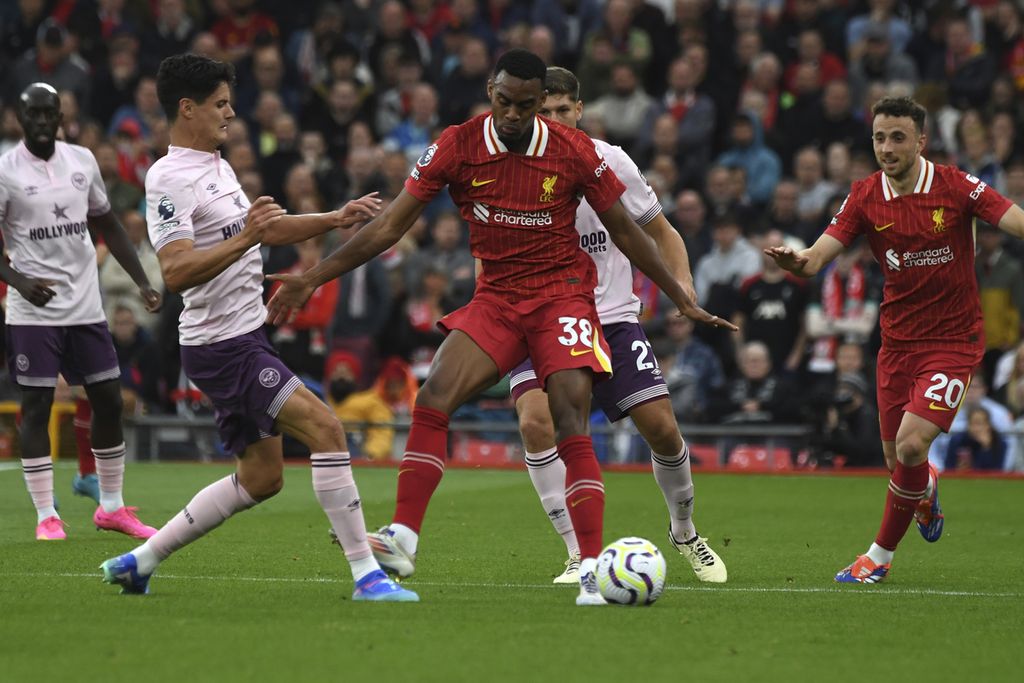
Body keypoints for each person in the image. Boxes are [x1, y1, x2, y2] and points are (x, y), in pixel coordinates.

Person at [267, 49, 731, 606]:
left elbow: (632, 235)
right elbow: (390, 225)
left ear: (545, 106)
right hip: (498, 298)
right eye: (505, 101)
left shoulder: (576, 151)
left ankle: (590, 570)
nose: (514, 114)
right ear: (491, 91)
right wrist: (311, 277)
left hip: (563, 298)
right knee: (434, 395)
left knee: (569, 420)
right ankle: (404, 536)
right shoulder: (457, 144)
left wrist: (681, 294)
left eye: (528, 105)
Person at [99, 54, 417, 603]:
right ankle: (368, 576)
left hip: (245, 337)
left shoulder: (217, 165)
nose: (230, 112)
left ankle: (140, 561)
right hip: (222, 345)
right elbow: (175, 270)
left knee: (263, 478)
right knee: (327, 430)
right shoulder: (169, 178)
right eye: (220, 103)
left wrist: (334, 218)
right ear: (187, 108)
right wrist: (246, 239)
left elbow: (263, 228)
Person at [766, 96, 1024, 584]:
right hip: (897, 345)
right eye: (880, 138)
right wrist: (795, 261)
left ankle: (877, 559)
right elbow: (817, 258)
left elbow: (1013, 218)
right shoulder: (865, 195)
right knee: (899, 462)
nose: (887, 147)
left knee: (909, 446)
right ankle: (924, 490)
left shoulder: (955, 185)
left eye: (898, 137)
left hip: (953, 341)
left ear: (921, 141)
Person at [507, 66, 726, 586]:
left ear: (579, 111)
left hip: (611, 318)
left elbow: (663, 232)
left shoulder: (611, 162)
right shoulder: (513, 167)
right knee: (537, 423)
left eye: (564, 110)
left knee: (663, 430)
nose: (555, 120)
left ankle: (685, 531)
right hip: (537, 316)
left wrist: (683, 286)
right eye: (545, 111)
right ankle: (577, 554)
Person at [0, 83, 162, 541]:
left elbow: (107, 221)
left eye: (50, 113)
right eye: (33, 115)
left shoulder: (83, 161)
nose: (42, 122)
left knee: (109, 399)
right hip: (34, 312)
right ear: (18, 118)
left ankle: (110, 507)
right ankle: (46, 515)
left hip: (86, 305)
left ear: (61, 117)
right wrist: (19, 282)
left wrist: (142, 281)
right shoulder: (6, 170)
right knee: (37, 407)